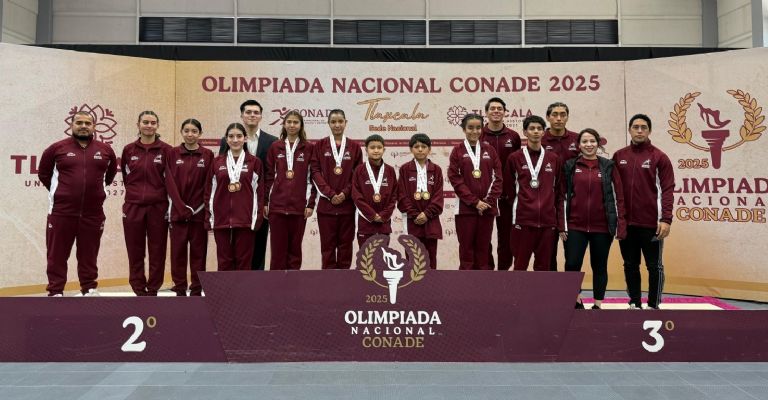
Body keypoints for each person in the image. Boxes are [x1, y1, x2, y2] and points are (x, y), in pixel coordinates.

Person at [38, 111, 117, 297]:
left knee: (88, 255)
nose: (83, 126)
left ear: (94, 127)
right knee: (57, 254)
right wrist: (64, 193)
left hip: (93, 214)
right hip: (61, 212)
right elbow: (43, 174)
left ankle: (88, 289)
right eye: (79, 122)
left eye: (87, 123)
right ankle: (56, 291)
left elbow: (109, 176)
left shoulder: (105, 150)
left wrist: (94, 193)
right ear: (71, 125)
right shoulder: (56, 149)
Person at [612, 114, 674, 309]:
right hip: (626, 224)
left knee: (654, 266)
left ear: (649, 131)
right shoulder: (619, 156)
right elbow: (612, 189)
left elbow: (667, 189)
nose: (639, 130)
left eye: (644, 127)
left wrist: (666, 219)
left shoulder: (659, 157)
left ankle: (653, 305)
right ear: (629, 130)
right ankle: (634, 302)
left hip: (652, 224)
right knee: (630, 265)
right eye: (636, 127)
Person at [562, 129, 626, 309]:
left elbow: (618, 197)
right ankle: (576, 299)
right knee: (572, 263)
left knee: (599, 266)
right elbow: (562, 196)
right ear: (579, 145)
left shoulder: (608, 166)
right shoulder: (570, 166)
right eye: (585, 141)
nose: (589, 145)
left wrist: (620, 224)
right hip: (575, 226)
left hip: (602, 227)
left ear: (598, 144)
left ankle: (598, 304)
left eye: (592, 141)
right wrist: (562, 225)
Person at [220, 100, 277, 271]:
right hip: (235, 205)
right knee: (234, 250)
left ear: (261, 116)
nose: (252, 115)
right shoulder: (228, 140)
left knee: (259, 243)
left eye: (255, 112)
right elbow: (223, 171)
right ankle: (235, 287)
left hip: (260, 203)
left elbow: (271, 175)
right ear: (242, 115)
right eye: (248, 112)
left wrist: (265, 202)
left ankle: (256, 285)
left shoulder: (272, 141)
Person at [121, 111, 172, 296]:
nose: (149, 126)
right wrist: (136, 196)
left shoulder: (167, 150)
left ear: (157, 126)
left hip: (158, 207)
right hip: (133, 206)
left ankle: (153, 289)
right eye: (145, 122)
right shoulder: (129, 150)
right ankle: (138, 289)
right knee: (135, 250)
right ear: (138, 124)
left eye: (153, 123)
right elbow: (127, 177)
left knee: (157, 250)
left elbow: (170, 180)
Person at [506, 115, 564, 271]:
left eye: (539, 128)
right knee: (520, 266)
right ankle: (518, 296)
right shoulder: (514, 158)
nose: (536, 132)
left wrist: (557, 221)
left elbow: (558, 190)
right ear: (525, 132)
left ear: (544, 132)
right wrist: (524, 208)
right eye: (532, 128)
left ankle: (540, 296)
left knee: (543, 267)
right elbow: (509, 190)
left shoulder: (553, 158)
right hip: (523, 222)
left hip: (547, 223)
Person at [165, 119, 214, 296]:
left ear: (200, 134)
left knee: (198, 255)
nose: (190, 134)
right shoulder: (172, 153)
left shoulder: (207, 155)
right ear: (181, 132)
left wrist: (197, 208)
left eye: (194, 131)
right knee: (177, 254)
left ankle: (196, 290)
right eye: (187, 130)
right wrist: (180, 207)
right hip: (178, 214)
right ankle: (179, 289)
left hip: (199, 214)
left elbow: (208, 185)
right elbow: (169, 182)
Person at [206, 123, 264, 271]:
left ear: (245, 139)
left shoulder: (255, 162)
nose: (235, 139)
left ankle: (243, 294)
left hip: (245, 220)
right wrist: (209, 216)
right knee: (224, 262)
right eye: (231, 136)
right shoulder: (216, 162)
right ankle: (225, 294)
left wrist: (257, 218)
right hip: (221, 220)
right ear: (226, 139)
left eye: (239, 136)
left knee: (244, 262)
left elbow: (259, 192)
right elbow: (209, 191)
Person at [448, 113, 503, 270]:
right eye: (470, 128)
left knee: (484, 247)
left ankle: (484, 286)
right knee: (466, 248)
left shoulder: (490, 150)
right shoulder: (457, 151)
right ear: (464, 129)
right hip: (465, 209)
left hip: (487, 208)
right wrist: (475, 202)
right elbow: (455, 179)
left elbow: (498, 178)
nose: (475, 131)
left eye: (478, 127)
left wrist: (487, 202)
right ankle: (465, 286)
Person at [263, 110, 316, 270]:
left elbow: (312, 178)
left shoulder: (308, 148)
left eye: (295, 122)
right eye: (289, 122)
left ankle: (293, 289)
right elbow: (269, 176)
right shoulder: (275, 147)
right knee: (278, 251)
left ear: (301, 126)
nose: (292, 125)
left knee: (295, 251)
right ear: (284, 124)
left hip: (299, 208)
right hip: (277, 207)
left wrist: (310, 204)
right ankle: (276, 289)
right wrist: (266, 201)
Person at [310, 109, 363, 269]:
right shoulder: (319, 145)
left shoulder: (354, 147)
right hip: (326, 207)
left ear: (346, 123)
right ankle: (328, 285)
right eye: (333, 121)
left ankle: (344, 285)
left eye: (340, 121)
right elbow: (315, 171)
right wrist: (330, 194)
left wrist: (345, 193)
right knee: (327, 248)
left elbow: (358, 175)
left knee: (345, 247)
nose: (337, 125)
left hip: (347, 207)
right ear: (328, 124)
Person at [480, 97, 521, 271]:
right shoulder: (479, 135)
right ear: (486, 112)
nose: (496, 111)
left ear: (505, 112)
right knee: (484, 237)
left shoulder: (514, 136)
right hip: (484, 197)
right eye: (492, 108)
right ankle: (488, 272)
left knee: (506, 238)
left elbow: (519, 165)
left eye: (499, 108)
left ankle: (503, 272)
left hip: (507, 197)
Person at [397, 133, 444, 269]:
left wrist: (426, 214)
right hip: (412, 221)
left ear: (429, 149)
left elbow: (438, 196)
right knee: (412, 259)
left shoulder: (436, 170)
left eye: (424, 146)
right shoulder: (405, 169)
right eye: (416, 146)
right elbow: (401, 195)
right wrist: (414, 214)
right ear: (411, 149)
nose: (420, 149)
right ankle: (412, 289)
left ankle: (430, 288)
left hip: (431, 221)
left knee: (430, 259)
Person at [542, 102, 579, 271]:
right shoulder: (539, 139)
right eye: (554, 114)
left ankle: (573, 294)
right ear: (548, 117)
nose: (558, 118)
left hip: (572, 203)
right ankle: (550, 294)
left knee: (572, 256)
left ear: (567, 117)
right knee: (548, 254)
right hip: (547, 202)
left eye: (562, 114)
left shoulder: (577, 139)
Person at [352, 134, 398, 247]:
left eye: (379, 147)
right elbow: (356, 196)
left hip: (384, 224)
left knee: (382, 260)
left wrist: (383, 215)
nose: (376, 150)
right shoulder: (359, 170)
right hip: (365, 224)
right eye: (372, 147)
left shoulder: (390, 170)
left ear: (384, 149)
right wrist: (372, 215)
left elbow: (394, 196)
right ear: (366, 150)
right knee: (366, 260)